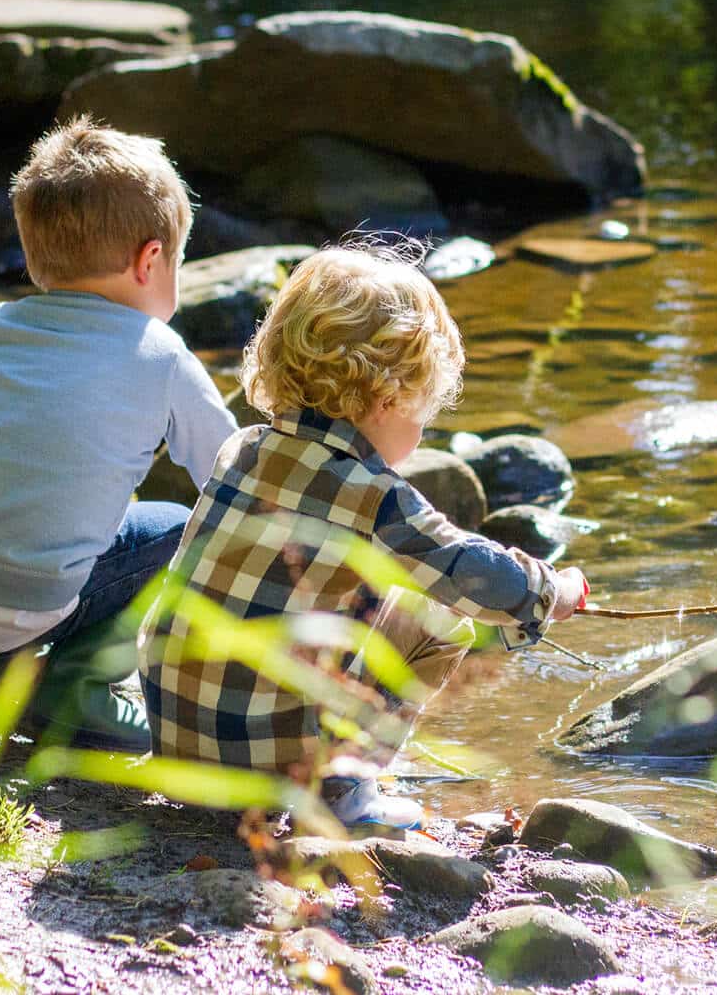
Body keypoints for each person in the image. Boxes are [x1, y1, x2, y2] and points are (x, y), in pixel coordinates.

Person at [139, 241, 588, 829]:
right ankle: (341, 789)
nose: (421, 436)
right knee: (442, 621)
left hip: (179, 734)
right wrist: (551, 591)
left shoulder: (241, 449)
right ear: (386, 400)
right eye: (421, 418)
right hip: (260, 757)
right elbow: (469, 571)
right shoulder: (376, 496)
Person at [0, 117, 236, 751]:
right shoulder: (161, 355)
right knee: (173, 527)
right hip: (31, 598)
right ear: (151, 259)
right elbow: (232, 474)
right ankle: (76, 685)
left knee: (59, 520)